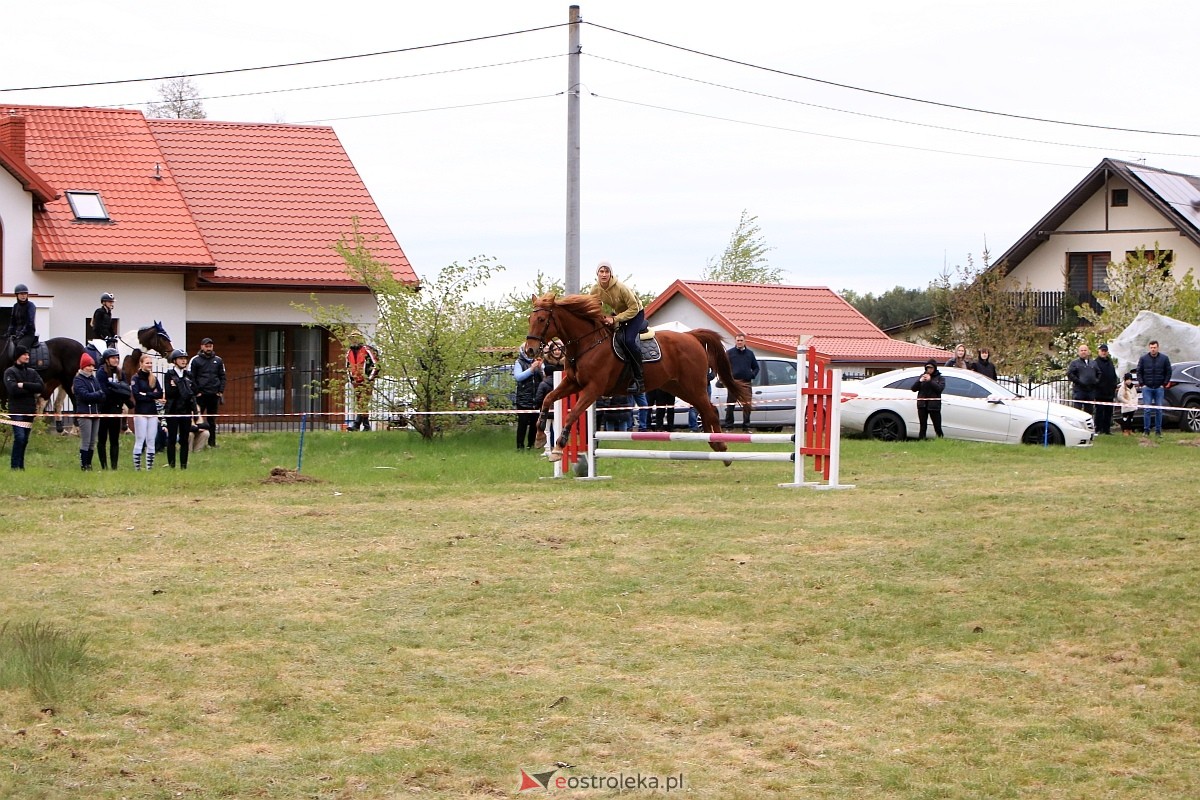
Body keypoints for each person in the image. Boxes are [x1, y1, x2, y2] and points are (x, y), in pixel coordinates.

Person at [589, 261, 645, 392]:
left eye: (606, 271)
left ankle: (639, 379)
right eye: (601, 272)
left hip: (636, 314)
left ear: (611, 274)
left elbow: (634, 308)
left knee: (628, 341)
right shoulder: (594, 289)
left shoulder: (621, 287)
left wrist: (614, 319)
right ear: (597, 274)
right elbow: (594, 307)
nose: (604, 274)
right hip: (619, 314)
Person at [3, 345, 44, 469]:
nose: (27, 356)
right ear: (17, 356)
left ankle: (20, 466)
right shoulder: (10, 372)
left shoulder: (31, 372)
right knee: (19, 437)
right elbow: (13, 390)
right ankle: (14, 466)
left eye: (28, 354)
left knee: (25, 439)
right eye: (24, 354)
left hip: (29, 410)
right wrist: (30, 389)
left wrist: (23, 385)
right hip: (16, 410)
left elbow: (41, 387)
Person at [163, 348, 199, 469]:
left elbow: (194, 390)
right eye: (181, 359)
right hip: (173, 410)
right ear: (174, 360)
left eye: (185, 359)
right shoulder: (169, 374)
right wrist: (182, 387)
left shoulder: (188, 375)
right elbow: (169, 392)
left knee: (184, 439)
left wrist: (179, 385)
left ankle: (183, 465)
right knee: (172, 439)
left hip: (186, 409)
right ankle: (172, 464)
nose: (184, 361)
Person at [97, 348, 131, 470]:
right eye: (113, 358)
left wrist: (115, 388)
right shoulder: (101, 372)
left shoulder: (120, 372)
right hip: (104, 409)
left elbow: (126, 391)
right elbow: (103, 391)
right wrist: (118, 389)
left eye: (117, 358)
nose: (116, 360)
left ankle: (114, 466)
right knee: (102, 438)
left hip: (116, 409)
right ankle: (104, 466)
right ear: (107, 360)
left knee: (114, 439)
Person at [72, 352, 106, 471]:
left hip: (95, 413)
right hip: (84, 413)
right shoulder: (78, 380)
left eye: (92, 366)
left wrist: (97, 395)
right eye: (89, 366)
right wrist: (97, 394)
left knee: (92, 441)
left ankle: (89, 464)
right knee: (86, 441)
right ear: (83, 367)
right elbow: (84, 396)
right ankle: (83, 464)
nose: (91, 368)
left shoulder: (94, 379)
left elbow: (102, 394)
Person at [189, 337, 226, 447]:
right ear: (202, 346)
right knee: (197, 417)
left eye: (210, 346)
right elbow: (191, 377)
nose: (208, 348)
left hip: (214, 395)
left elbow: (222, 376)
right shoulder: (195, 360)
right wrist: (196, 391)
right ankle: (196, 442)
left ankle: (212, 443)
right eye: (206, 346)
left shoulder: (218, 360)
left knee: (212, 420)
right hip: (200, 395)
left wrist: (220, 391)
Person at [130, 352, 163, 470]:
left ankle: (149, 468)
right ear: (141, 364)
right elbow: (137, 396)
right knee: (140, 440)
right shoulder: (136, 378)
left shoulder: (153, 378)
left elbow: (159, 393)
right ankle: (137, 468)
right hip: (140, 413)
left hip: (152, 413)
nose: (149, 365)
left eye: (150, 363)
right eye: (147, 363)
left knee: (151, 440)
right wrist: (151, 395)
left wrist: (146, 394)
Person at [1136, 339, 1172, 436]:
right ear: (1149, 348)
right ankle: (1146, 430)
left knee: (1158, 410)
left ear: (1158, 348)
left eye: (1154, 348)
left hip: (1159, 388)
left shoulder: (1164, 359)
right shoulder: (1143, 359)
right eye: (1151, 348)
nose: (1153, 349)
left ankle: (1158, 431)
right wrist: (1142, 384)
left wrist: (1164, 384)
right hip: (1147, 387)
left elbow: (1168, 372)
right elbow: (1139, 371)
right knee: (1147, 409)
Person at [345, 331, 379, 431]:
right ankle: (363, 426)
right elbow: (348, 367)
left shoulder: (366, 350)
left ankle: (359, 425)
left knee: (363, 403)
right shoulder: (349, 352)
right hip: (356, 381)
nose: (353, 340)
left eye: (355, 338)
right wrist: (351, 380)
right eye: (352, 338)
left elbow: (376, 365)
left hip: (366, 381)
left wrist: (369, 379)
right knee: (360, 403)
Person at [724, 333, 759, 431]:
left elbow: (756, 367)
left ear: (745, 341)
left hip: (746, 383)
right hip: (734, 383)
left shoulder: (750, 354)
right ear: (735, 341)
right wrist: (728, 378)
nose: (739, 342)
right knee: (730, 406)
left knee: (747, 406)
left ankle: (746, 427)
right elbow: (724, 367)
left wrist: (752, 375)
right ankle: (729, 427)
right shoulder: (729, 353)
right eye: (738, 340)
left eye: (741, 340)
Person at [513, 345, 544, 450]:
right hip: (523, 399)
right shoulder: (519, 362)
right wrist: (531, 369)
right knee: (523, 423)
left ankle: (530, 445)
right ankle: (520, 446)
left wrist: (540, 368)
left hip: (536, 398)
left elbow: (544, 377)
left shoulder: (537, 361)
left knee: (535, 424)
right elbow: (518, 377)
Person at [911, 359, 945, 439]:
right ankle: (921, 441)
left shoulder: (940, 378)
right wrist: (920, 381)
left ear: (935, 368)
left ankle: (940, 441)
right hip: (922, 405)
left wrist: (930, 381)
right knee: (923, 426)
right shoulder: (922, 376)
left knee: (937, 426)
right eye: (927, 368)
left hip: (934, 406)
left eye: (931, 368)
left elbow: (939, 389)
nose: (929, 370)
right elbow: (913, 388)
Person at [1066, 343, 1101, 419]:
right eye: (1081, 350)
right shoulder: (1074, 363)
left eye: (1085, 350)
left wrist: (1096, 381)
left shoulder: (1093, 363)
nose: (1083, 352)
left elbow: (1099, 373)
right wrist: (1078, 381)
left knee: (1089, 411)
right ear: (1078, 352)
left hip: (1090, 391)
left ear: (1088, 352)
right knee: (1077, 411)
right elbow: (1070, 373)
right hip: (1079, 391)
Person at [1093, 343, 1120, 435]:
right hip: (1100, 392)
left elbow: (1113, 375)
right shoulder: (1095, 362)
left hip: (1109, 392)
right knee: (1099, 411)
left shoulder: (1110, 362)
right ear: (1099, 351)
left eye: (1105, 351)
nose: (1104, 353)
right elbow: (1094, 377)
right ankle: (1098, 429)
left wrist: (1114, 385)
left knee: (1108, 412)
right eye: (1102, 351)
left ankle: (1107, 429)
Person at [5, 284, 37, 350]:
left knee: (19, 349)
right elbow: (12, 322)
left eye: (25, 294)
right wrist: (8, 333)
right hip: (17, 334)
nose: (23, 296)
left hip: (28, 334)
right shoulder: (15, 306)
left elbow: (30, 322)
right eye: (21, 294)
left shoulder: (31, 305)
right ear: (17, 295)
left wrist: (22, 333)